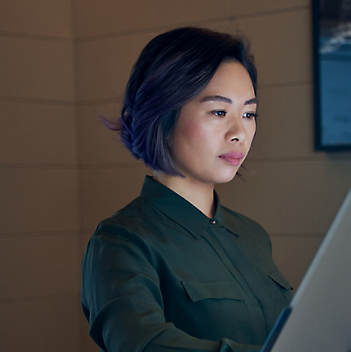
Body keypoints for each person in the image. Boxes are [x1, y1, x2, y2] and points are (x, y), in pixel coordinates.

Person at [81, 27, 293, 352]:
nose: (240, 132)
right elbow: (143, 344)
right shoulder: (120, 242)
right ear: (162, 114)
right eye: (219, 112)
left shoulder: (252, 235)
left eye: (249, 114)